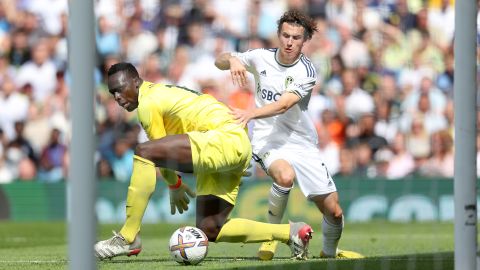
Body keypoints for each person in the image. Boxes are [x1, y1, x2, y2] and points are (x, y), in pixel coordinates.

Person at [94, 62, 313, 260]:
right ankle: (291, 233)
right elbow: (163, 152)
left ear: (135, 81)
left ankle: (128, 236)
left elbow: (156, 153)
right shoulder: (158, 92)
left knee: (143, 151)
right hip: (230, 141)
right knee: (210, 228)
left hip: (223, 138)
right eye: (113, 93)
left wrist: (175, 185)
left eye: (120, 89)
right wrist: (176, 184)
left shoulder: (147, 102)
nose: (117, 97)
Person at [214, 10, 364, 260]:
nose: (289, 42)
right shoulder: (260, 57)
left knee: (334, 211)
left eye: (296, 37)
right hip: (267, 138)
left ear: (304, 41)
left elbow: (284, 105)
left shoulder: (307, 71)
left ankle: (329, 253)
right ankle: (272, 237)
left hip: (301, 142)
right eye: (285, 35)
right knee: (284, 176)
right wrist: (231, 59)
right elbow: (218, 60)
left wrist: (250, 113)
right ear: (278, 35)